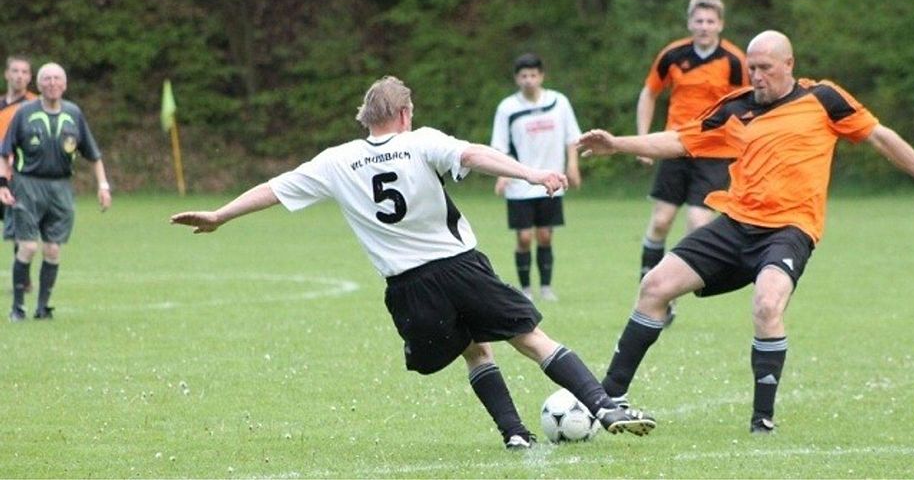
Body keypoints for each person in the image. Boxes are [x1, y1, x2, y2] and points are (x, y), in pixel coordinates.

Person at [170, 76, 655, 449]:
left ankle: (515, 434)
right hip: (459, 265)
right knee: (529, 338)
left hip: (407, 288)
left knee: (473, 350)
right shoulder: (421, 140)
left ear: (366, 117)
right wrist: (530, 172)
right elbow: (475, 154)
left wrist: (220, 214)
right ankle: (603, 406)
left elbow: (274, 188)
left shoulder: (336, 161)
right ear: (404, 113)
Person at [578, 31, 914, 434]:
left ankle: (762, 419)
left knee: (767, 304)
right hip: (736, 223)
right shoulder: (736, 108)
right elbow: (677, 139)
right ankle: (610, 399)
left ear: (788, 65)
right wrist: (618, 143)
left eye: (765, 68)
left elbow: (880, 137)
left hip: (790, 229)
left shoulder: (824, 99)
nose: (756, 76)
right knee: (655, 285)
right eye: (752, 68)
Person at [635, 0, 748, 326]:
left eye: (710, 21)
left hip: (715, 151)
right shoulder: (672, 55)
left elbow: (750, 105)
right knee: (660, 221)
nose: (704, 26)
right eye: (698, 20)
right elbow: (649, 93)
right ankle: (646, 285)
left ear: (721, 25)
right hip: (676, 146)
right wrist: (643, 140)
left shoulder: (734, 60)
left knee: (698, 223)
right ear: (689, 23)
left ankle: (668, 294)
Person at [0, 62, 112, 322]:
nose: (52, 83)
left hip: (61, 187)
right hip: (27, 184)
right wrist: (3, 184)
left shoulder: (73, 113)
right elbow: (4, 152)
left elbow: (93, 155)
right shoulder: (25, 112)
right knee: (27, 247)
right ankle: (18, 307)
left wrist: (103, 186)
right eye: (46, 79)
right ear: (38, 85)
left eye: (57, 78)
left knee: (52, 250)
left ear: (65, 84)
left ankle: (43, 307)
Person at [491, 53, 582, 302]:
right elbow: (499, 146)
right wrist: (502, 175)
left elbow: (572, 137)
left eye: (533, 75)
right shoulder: (508, 108)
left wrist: (572, 167)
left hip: (550, 181)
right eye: (523, 76)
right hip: (520, 184)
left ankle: (546, 287)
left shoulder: (559, 102)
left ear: (541, 76)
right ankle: (525, 289)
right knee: (523, 237)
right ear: (516, 79)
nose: (528, 80)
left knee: (544, 235)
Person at [1, 55, 37, 268]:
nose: (19, 76)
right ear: (7, 74)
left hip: (19, 175)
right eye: (15, 71)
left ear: (30, 77)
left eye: (24, 72)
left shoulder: (35, 105)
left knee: (19, 226)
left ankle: (21, 277)